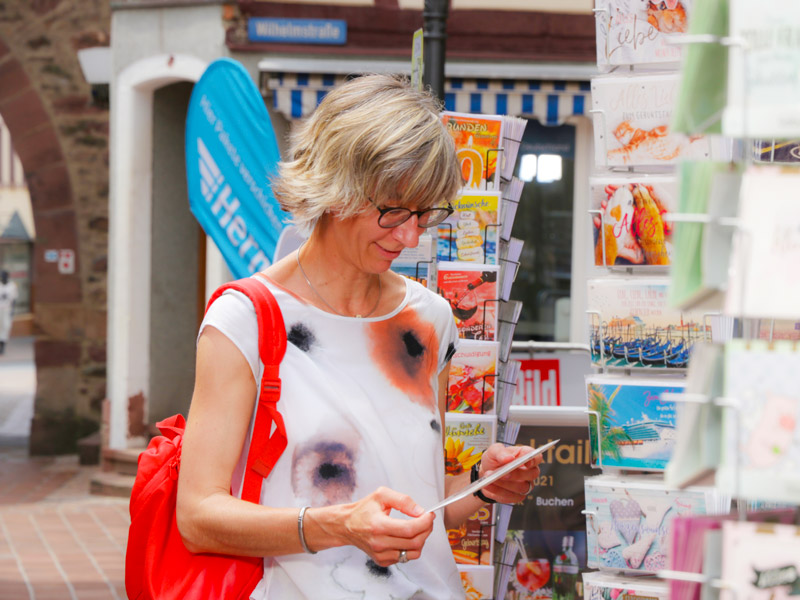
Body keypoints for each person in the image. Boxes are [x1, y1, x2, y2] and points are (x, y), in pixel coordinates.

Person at [176, 74, 543, 599]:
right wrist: (340, 526)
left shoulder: (430, 319)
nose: (411, 235)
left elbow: (425, 501)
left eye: (425, 213)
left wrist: (485, 487)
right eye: (393, 210)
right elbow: (197, 515)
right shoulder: (246, 320)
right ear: (335, 185)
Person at [0, 270, 17, 355]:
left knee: (6, 327)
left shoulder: (12, 286)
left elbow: (14, 299)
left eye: (3, 275)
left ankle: (2, 345)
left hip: (7, 309)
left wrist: (12, 310)